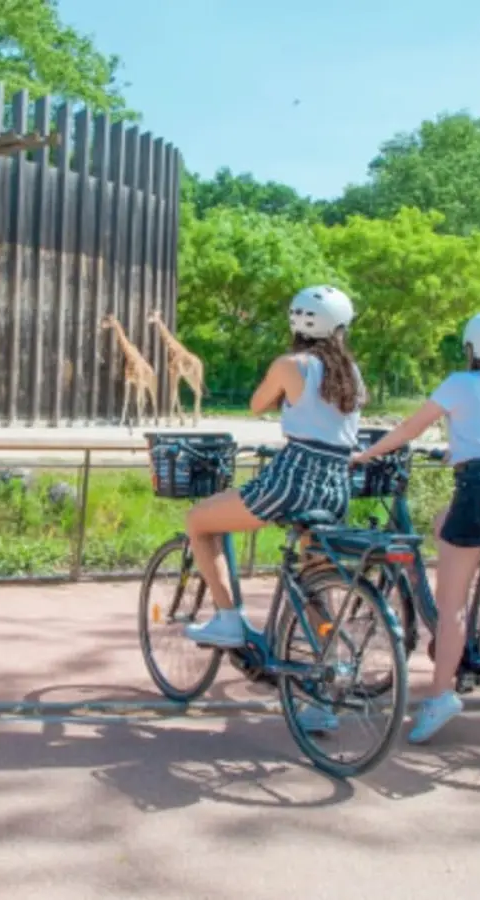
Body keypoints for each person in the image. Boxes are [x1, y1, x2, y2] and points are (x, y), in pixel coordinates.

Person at [183, 285, 366, 732]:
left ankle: (228, 619)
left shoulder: (291, 364)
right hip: (336, 484)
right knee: (313, 585)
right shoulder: (353, 373)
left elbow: (257, 404)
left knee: (199, 521)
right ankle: (325, 695)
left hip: (293, 477)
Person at [352, 311, 480, 743]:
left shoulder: (459, 383)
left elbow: (410, 428)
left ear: (471, 349)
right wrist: (461, 450)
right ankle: (468, 640)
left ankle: (440, 696)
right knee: (442, 524)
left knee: (453, 604)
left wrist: (365, 454)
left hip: (477, 489)